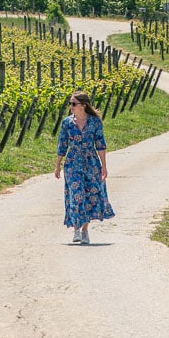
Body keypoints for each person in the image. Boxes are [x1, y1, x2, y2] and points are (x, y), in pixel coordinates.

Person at [54, 90, 114, 244]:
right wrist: (58, 165)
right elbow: (62, 144)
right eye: (70, 104)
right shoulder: (67, 123)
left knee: (90, 195)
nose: (71, 106)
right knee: (76, 194)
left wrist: (104, 166)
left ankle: (85, 230)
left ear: (83, 105)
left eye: (74, 104)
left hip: (91, 162)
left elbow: (100, 144)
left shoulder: (95, 122)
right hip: (73, 162)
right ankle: (76, 229)